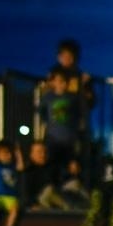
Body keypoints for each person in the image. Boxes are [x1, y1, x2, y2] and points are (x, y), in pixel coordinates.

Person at [37, 68, 87, 206]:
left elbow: (79, 115)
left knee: (70, 167)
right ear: (53, 82)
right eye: (58, 81)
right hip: (53, 138)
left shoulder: (72, 97)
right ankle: (49, 192)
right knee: (52, 165)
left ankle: (69, 195)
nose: (61, 84)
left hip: (69, 138)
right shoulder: (48, 97)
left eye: (63, 81)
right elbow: (41, 113)